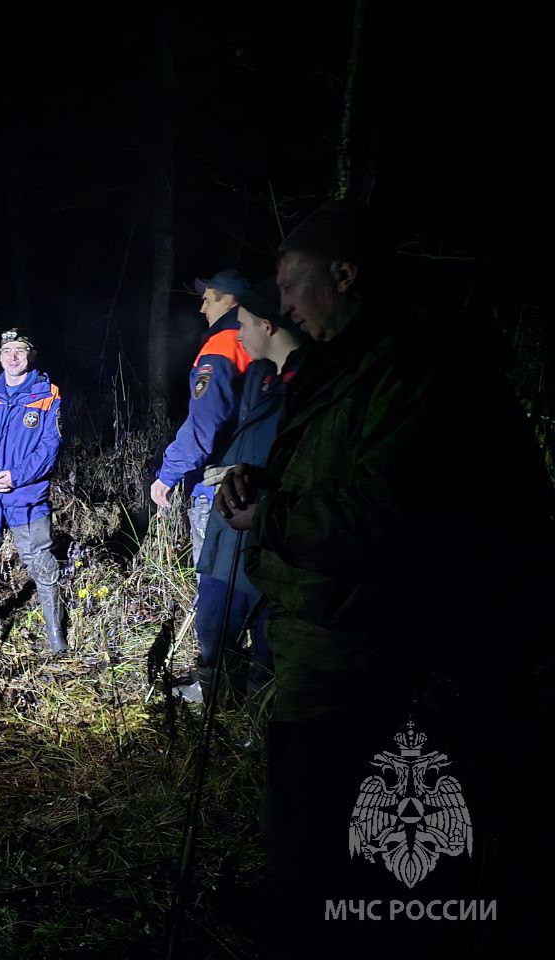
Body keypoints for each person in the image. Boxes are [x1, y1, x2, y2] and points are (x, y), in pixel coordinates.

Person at [215, 202, 550, 953]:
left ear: (344, 274)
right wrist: (259, 483)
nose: (285, 306)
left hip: (381, 646)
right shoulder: (352, 363)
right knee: (313, 813)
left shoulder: (417, 368)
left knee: (358, 821)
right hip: (336, 639)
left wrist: (266, 518)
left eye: (293, 286)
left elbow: (386, 516)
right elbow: (326, 473)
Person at [190, 277, 304, 704]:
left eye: (245, 324)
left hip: (268, 528)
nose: (238, 334)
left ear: (268, 326)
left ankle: (258, 716)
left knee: (267, 630)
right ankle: (218, 699)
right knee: (214, 620)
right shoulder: (257, 376)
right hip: (231, 526)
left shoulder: (307, 387)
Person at [0, 328, 67, 654]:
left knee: (42, 566)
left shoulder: (48, 394)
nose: (13, 356)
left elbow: (50, 447)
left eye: (20, 349)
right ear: (0, 356)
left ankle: (56, 639)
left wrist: (15, 477)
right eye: (7, 350)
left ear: (30, 355)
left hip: (27, 498)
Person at [151, 268, 253, 565]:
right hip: (249, 479)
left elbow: (204, 423)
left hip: (220, 483)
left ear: (230, 301)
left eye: (208, 300)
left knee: (213, 578)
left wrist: (168, 474)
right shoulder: (261, 342)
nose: (202, 308)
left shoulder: (222, 345)